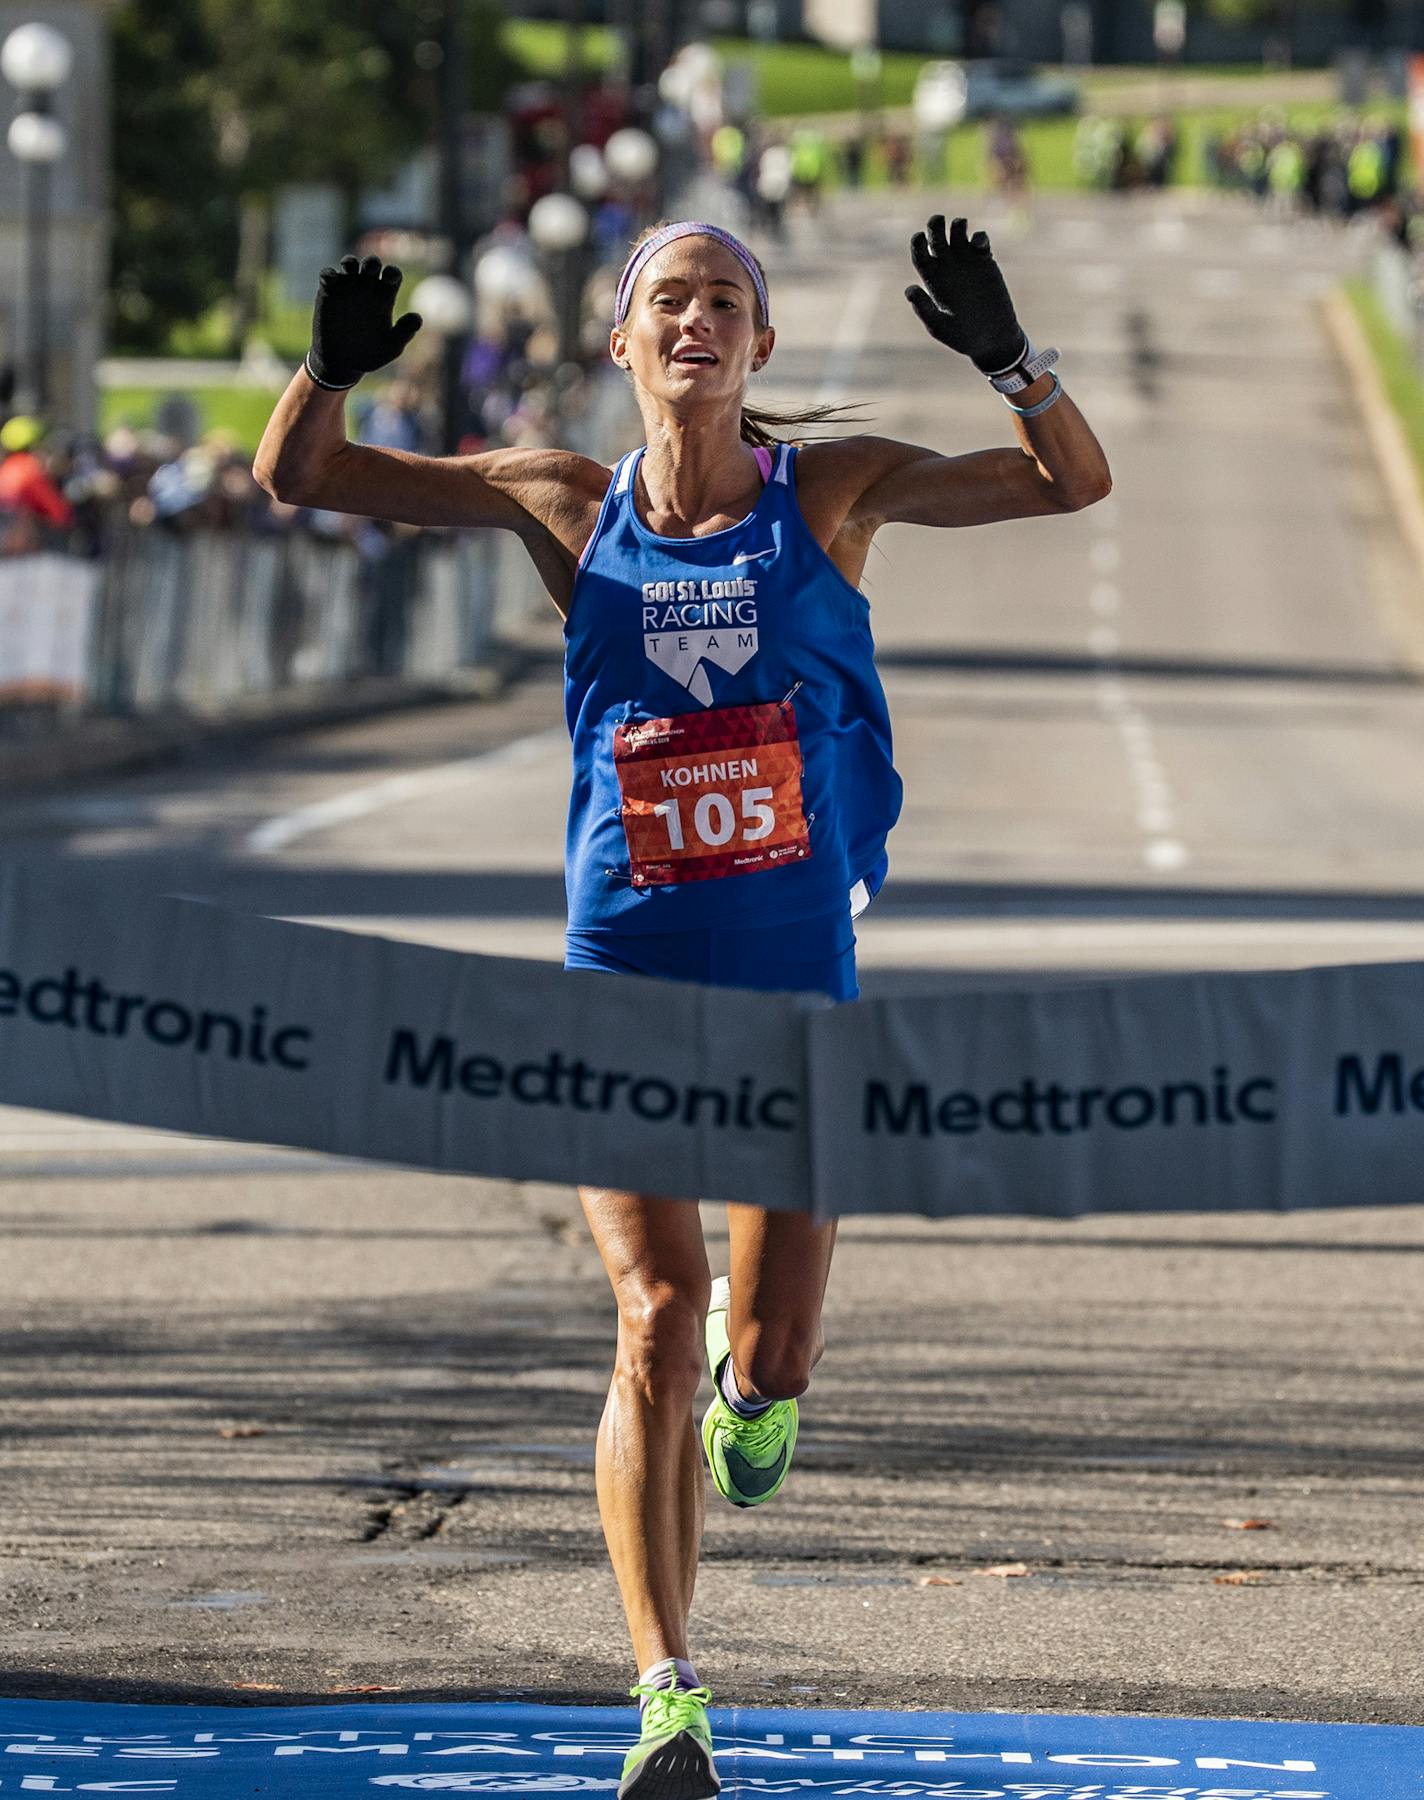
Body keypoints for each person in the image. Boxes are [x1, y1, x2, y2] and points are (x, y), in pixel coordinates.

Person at [253, 215, 1110, 1800]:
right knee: (652, 1314)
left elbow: (1070, 483)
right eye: (670, 298)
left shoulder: (830, 496)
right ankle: (667, 1697)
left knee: (767, 1349)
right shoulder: (560, 501)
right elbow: (303, 478)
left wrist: (1011, 360)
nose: (698, 317)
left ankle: (756, 1401)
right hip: (624, 968)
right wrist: (327, 370)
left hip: (792, 975)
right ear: (624, 344)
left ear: (760, 346)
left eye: (726, 298)